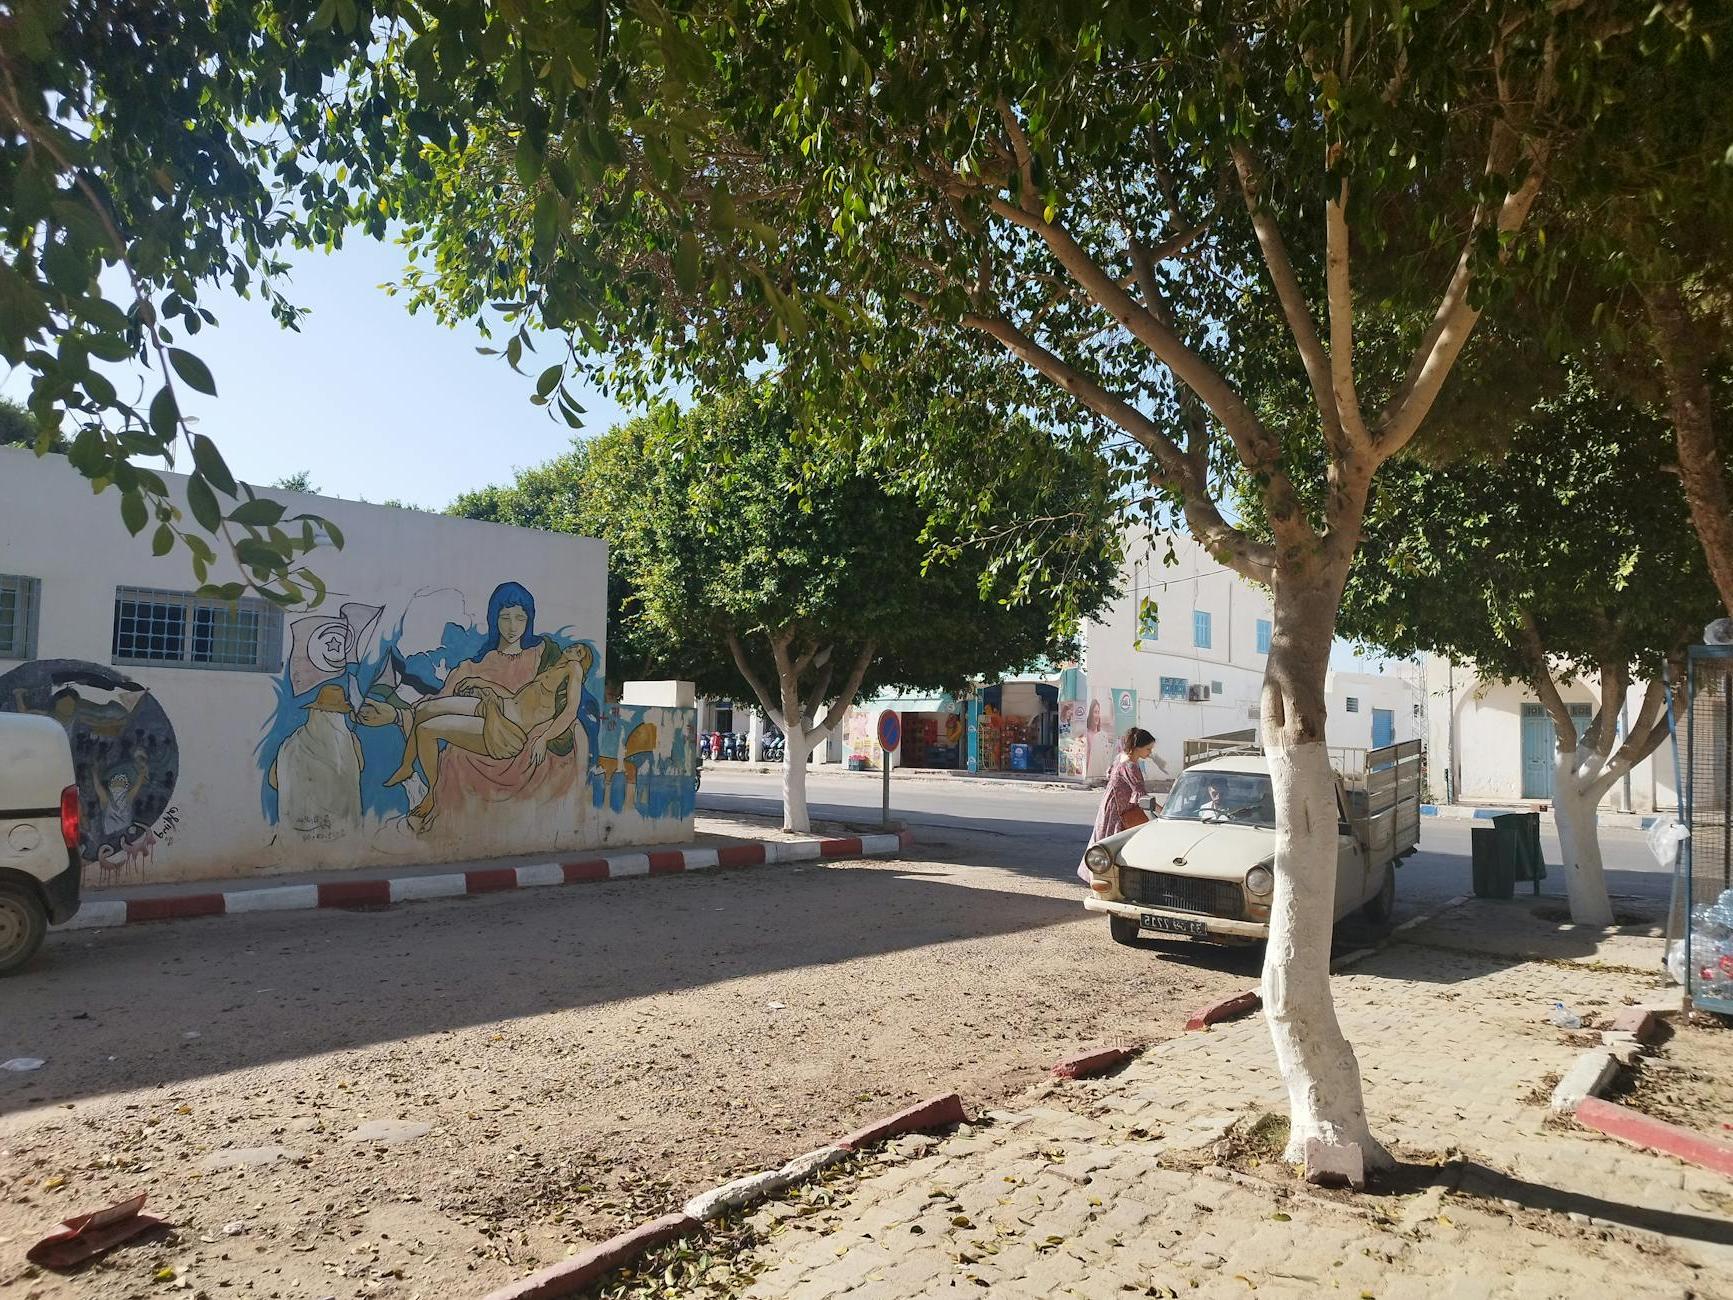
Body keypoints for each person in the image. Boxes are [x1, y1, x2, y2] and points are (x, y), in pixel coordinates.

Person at [1078, 727, 1155, 882]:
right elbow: (1141, 794)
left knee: (1102, 840)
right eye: (1148, 749)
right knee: (1115, 844)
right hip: (1120, 810)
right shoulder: (1131, 766)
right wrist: (1162, 809)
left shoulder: (1120, 757)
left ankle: (1096, 875)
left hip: (1110, 805)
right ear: (1137, 748)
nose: (1150, 753)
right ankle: (1110, 879)